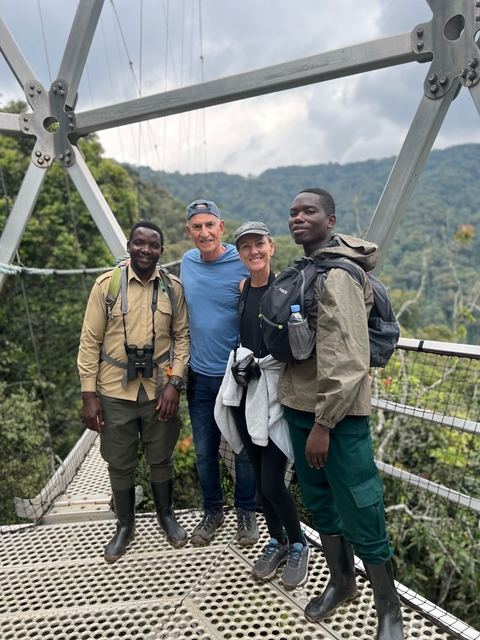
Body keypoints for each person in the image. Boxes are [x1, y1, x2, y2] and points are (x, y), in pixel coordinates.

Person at [277, 189, 403, 640]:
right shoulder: (307, 271)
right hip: (298, 405)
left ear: (330, 220)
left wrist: (323, 425)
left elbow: (349, 358)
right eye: (293, 212)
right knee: (321, 502)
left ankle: (389, 609)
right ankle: (342, 583)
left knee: (361, 505)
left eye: (308, 211)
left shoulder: (340, 276)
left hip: (337, 417)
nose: (298, 218)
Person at [78, 220, 190, 562]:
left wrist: (174, 382)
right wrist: (88, 394)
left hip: (159, 389)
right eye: (139, 243)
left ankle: (165, 516)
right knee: (119, 461)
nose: (146, 250)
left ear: (160, 250)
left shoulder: (173, 288)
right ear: (129, 246)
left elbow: (183, 338)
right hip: (114, 390)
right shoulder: (106, 286)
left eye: (153, 245)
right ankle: (125, 525)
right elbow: (89, 340)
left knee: (161, 456)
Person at [214, 221, 310, 590]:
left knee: (272, 481)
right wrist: (241, 364)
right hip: (244, 392)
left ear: (271, 247)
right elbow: (246, 337)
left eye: (259, 245)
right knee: (256, 479)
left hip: (273, 395)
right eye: (246, 247)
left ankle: (299, 543)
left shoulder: (283, 289)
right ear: (239, 254)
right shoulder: (242, 289)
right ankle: (277, 541)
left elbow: (295, 344)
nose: (253, 252)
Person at [181, 199, 258, 547]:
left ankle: (246, 511)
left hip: (235, 377)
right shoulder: (186, 262)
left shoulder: (241, 262)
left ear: (221, 227)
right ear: (189, 232)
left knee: (242, 449)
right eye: (197, 227)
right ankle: (212, 512)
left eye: (209, 225)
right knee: (204, 452)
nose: (204, 232)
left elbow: (267, 290)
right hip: (198, 377)